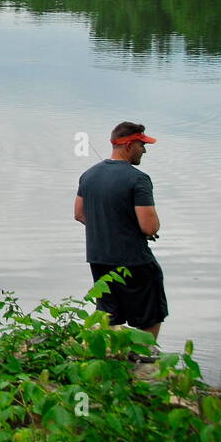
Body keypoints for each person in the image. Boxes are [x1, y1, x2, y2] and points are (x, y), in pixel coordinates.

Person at [74, 121, 166, 340]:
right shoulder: (138, 179)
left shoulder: (88, 175)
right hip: (134, 260)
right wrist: (142, 229)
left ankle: (105, 358)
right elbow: (149, 226)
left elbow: (79, 214)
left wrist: (110, 226)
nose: (144, 150)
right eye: (141, 145)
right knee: (151, 314)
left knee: (108, 314)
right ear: (128, 145)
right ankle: (145, 361)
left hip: (99, 258)